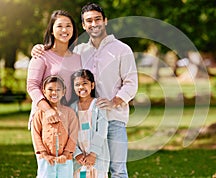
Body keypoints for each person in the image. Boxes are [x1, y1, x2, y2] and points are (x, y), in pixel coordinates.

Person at [32, 3, 138, 177]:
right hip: (85, 121)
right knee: (84, 169)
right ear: (83, 25)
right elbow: (59, 58)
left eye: (97, 19)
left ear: (105, 21)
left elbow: (131, 83)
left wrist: (114, 102)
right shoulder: (80, 51)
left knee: (118, 170)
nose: (94, 24)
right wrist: (38, 48)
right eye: (89, 21)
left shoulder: (122, 49)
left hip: (114, 119)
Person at [27, 10, 82, 128]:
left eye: (68, 26)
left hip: (70, 118)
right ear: (52, 30)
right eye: (59, 26)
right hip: (45, 117)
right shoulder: (41, 55)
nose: (64, 30)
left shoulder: (78, 58)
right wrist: (48, 110)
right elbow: (32, 86)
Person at [31, 75, 79, 178]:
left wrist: (66, 153)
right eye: (50, 89)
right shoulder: (39, 113)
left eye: (58, 90)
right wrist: (44, 154)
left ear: (64, 92)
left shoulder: (69, 113)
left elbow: (73, 134)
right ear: (44, 91)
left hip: (65, 159)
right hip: (46, 159)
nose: (54, 93)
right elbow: (35, 134)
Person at [70, 69, 109, 178]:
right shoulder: (72, 108)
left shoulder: (98, 105)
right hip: (80, 159)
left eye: (85, 83)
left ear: (92, 85)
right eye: (77, 84)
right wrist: (77, 154)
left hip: (97, 157)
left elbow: (102, 130)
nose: (81, 87)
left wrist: (93, 153)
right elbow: (69, 134)